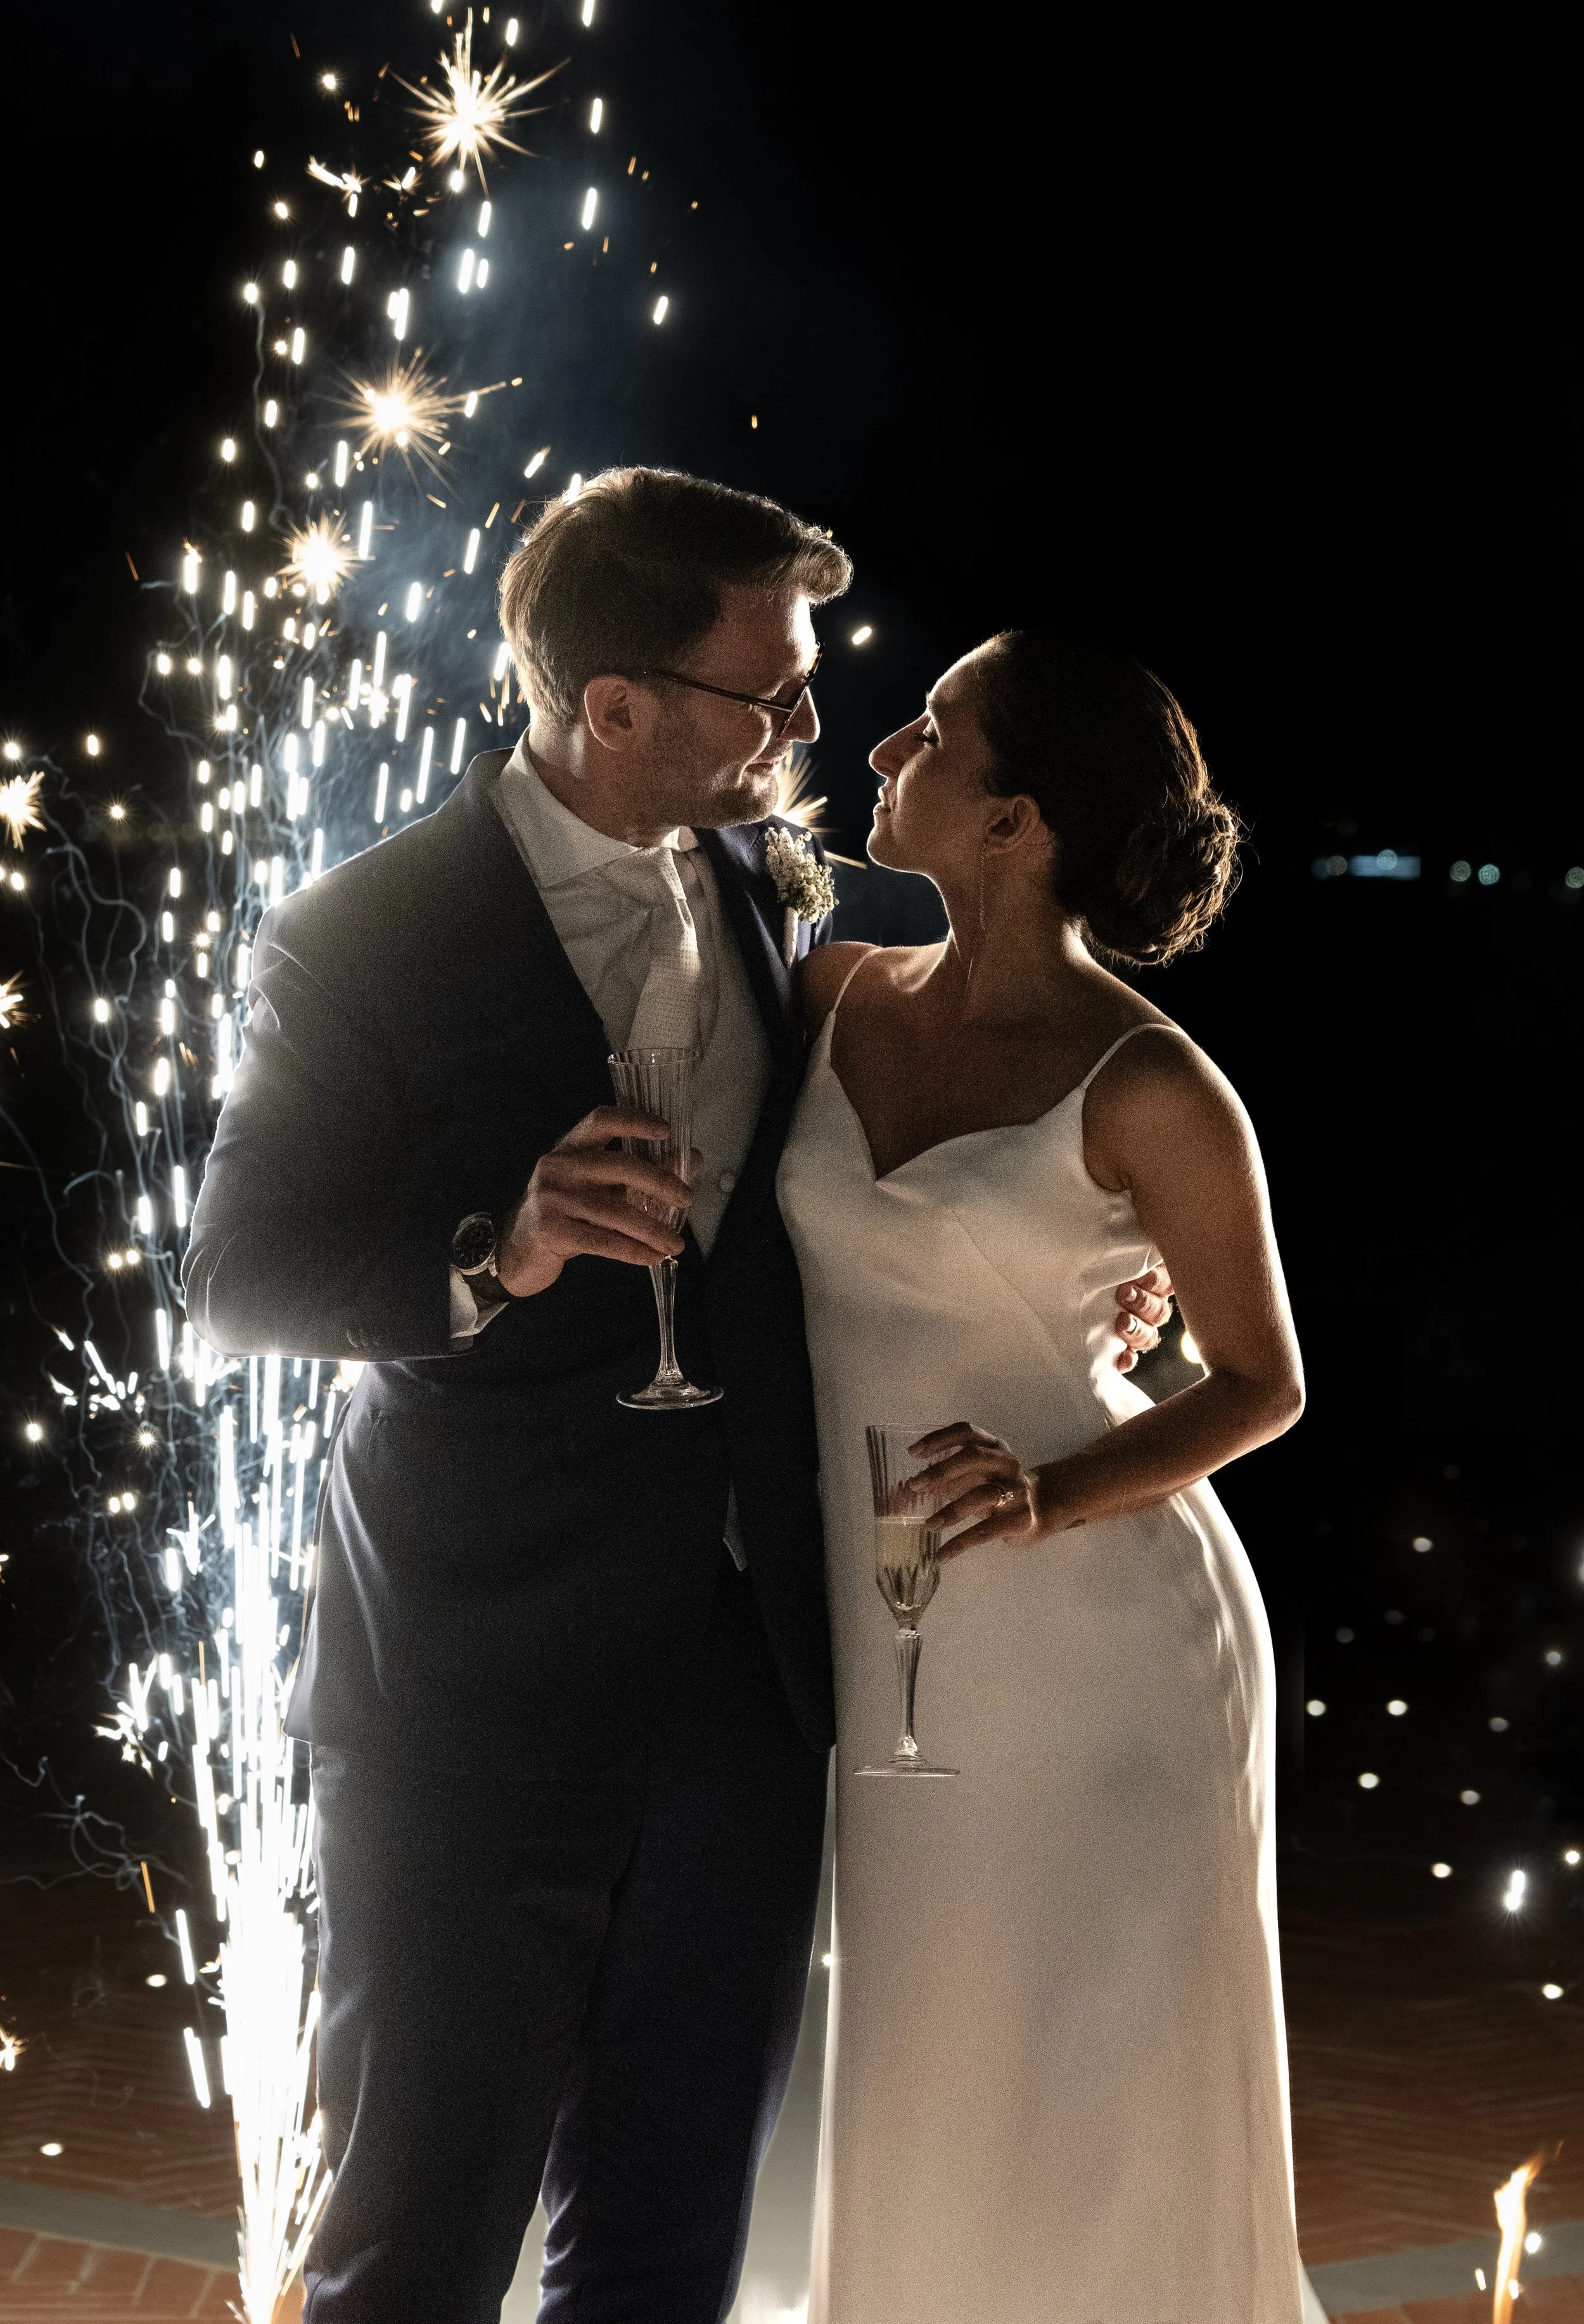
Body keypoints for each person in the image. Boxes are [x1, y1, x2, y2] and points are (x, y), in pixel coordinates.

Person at [182, 468, 1174, 2324]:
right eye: (766, 692)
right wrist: (502, 1249)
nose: (807, 726)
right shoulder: (361, 936)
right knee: (421, 2217)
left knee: (669, 2220)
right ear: (608, 702)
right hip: (474, 1676)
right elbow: (235, 1281)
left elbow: (913, 1145)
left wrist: (1081, 1274)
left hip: (742, 1661)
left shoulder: (766, 879)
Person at [777, 630, 1313, 2323]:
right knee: (926, 2027)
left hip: (1102, 1639)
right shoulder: (828, 988)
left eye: (929, 734)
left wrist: (1048, 1486)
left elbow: (1258, 1379)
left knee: (1096, 2070)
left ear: (1011, 820)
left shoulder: (1151, 1082)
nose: (880, 750)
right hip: (890, 1616)